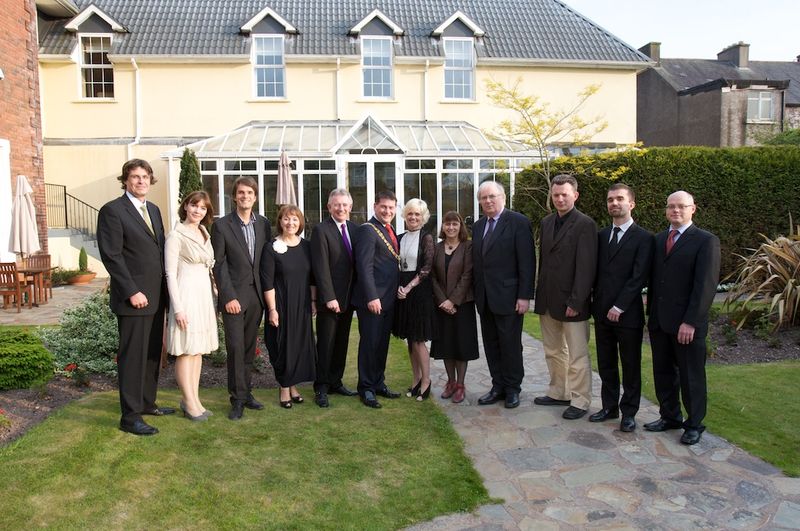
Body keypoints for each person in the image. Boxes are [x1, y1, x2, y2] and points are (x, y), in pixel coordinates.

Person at [97, 158, 174, 436]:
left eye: (145, 176)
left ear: (150, 180)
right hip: (134, 299)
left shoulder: (153, 210)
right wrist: (132, 291)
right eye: (135, 177)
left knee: (153, 353)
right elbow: (112, 255)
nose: (141, 181)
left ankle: (146, 403)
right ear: (126, 180)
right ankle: (129, 417)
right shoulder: (113, 211)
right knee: (132, 357)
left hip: (156, 297)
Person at [645, 190, 720, 445]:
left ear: (693, 209)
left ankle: (694, 423)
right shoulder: (658, 240)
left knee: (691, 376)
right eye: (671, 206)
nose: (675, 210)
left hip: (687, 324)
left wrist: (691, 321)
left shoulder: (705, 241)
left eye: (681, 206)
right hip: (659, 321)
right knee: (663, 372)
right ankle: (670, 416)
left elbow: (705, 287)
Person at [590, 184, 653, 432]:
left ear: (631, 204)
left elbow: (639, 277)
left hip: (628, 315)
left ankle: (629, 412)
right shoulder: (601, 236)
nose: (614, 203)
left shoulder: (644, 238)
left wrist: (619, 305)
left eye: (619, 199)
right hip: (602, 312)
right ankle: (609, 407)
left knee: (630, 365)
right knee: (605, 363)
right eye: (610, 200)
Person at [534, 174, 597, 420]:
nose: (560, 198)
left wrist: (576, 301)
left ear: (575, 195)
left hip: (573, 302)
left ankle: (580, 400)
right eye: (556, 194)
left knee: (577, 354)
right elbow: (546, 263)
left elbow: (586, 267)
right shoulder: (547, 222)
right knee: (553, 350)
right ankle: (559, 392)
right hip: (548, 299)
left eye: (565, 194)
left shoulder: (585, 224)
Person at [472, 181, 535, 409]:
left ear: (503, 198)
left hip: (509, 297)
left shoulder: (518, 222)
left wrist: (524, 296)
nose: (488, 201)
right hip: (486, 298)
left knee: (510, 344)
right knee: (491, 344)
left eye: (492, 196)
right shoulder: (478, 226)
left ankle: (512, 388)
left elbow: (527, 262)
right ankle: (497, 385)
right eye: (483, 198)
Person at [211, 177, 270, 420]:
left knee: (248, 348)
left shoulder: (263, 225)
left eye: (250, 193)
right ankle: (236, 400)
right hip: (234, 297)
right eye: (241, 193)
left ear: (255, 197)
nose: (245, 196)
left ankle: (246, 394)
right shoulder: (222, 225)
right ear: (234, 197)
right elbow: (219, 264)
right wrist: (228, 296)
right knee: (235, 348)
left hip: (256, 296)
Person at [164, 190, 219, 422]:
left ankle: (194, 399)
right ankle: (188, 401)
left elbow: (209, 268)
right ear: (186, 206)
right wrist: (178, 308)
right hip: (186, 294)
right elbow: (169, 273)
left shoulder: (204, 232)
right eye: (194, 205)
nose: (198, 210)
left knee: (197, 351)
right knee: (186, 350)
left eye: (203, 208)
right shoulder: (176, 236)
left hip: (203, 294)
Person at [262, 204, 317, 408]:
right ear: (280, 222)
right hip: (282, 304)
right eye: (286, 218)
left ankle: (293, 386)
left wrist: (312, 301)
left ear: (300, 223)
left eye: (294, 219)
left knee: (298, 346)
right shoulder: (271, 247)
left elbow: (312, 278)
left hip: (302, 304)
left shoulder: (307, 246)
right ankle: (284, 387)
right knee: (283, 346)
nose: (290, 222)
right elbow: (267, 282)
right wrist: (272, 309)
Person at [352, 190, 402, 408]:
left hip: (388, 299)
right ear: (375, 206)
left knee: (381, 345)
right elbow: (364, 267)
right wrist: (372, 296)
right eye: (384, 207)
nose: (388, 211)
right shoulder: (368, 230)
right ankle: (366, 388)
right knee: (370, 345)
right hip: (373, 300)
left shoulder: (389, 230)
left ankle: (378, 383)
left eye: (391, 208)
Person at [310, 189, 359, 408]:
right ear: (329, 207)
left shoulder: (355, 230)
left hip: (348, 298)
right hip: (329, 300)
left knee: (342, 342)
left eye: (344, 205)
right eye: (336, 205)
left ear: (350, 207)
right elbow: (320, 267)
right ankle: (321, 387)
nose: (341, 208)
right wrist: (329, 297)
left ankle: (335, 381)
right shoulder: (321, 230)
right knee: (326, 344)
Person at [431, 211, 479, 404]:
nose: (451, 227)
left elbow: (468, 275)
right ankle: (450, 382)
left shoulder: (468, 247)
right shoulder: (437, 248)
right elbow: (432, 276)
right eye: (447, 224)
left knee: (461, 345)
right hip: (441, 305)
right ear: (442, 226)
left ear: (460, 226)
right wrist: (443, 300)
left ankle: (460, 385)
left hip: (463, 305)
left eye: (455, 224)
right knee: (446, 345)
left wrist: (453, 301)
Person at [393, 198, 436, 401]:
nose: (413, 217)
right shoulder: (399, 236)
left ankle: (426, 381)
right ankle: (416, 379)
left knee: (418, 340)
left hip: (419, 292)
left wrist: (409, 287)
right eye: (410, 213)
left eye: (417, 214)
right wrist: (399, 288)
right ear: (405, 215)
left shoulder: (426, 237)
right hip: (402, 291)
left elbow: (427, 267)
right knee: (410, 341)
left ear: (423, 217)